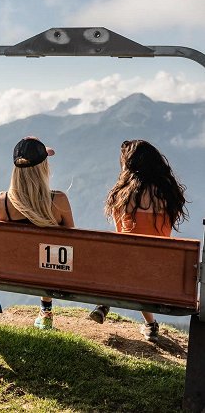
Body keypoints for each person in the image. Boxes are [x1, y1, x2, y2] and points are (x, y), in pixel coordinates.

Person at [89, 139, 188, 342]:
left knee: (123, 255)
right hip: (161, 268)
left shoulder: (122, 196)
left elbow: (120, 236)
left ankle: (105, 303)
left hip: (127, 265)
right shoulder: (169, 194)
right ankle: (150, 325)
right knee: (139, 262)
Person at [0, 136, 75, 330]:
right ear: (43, 167)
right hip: (49, 272)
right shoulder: (58, 200)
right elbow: (72, 242)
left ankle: (45, 311)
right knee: (49, 255)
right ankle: (46, 310)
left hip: (13, 270)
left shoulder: (1, 202)